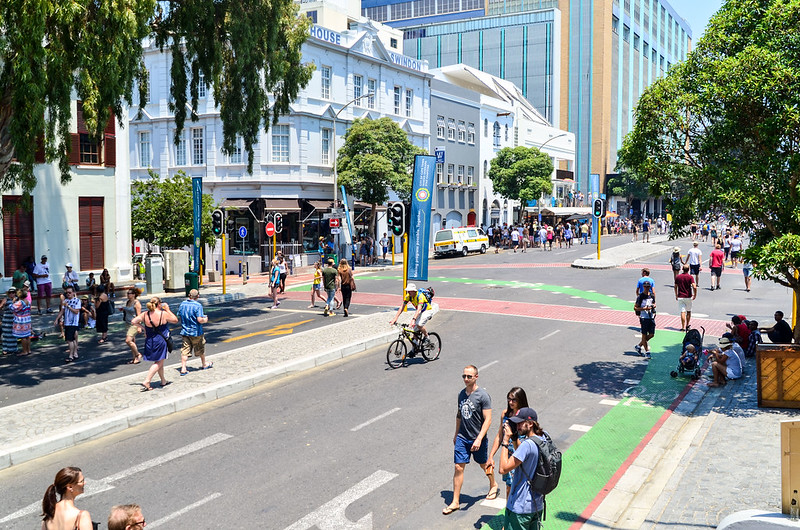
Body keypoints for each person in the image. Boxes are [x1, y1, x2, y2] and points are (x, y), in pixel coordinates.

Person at [442, 365, 498, 515]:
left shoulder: (483, 396)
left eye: (469, 376)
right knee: (458, 467)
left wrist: (479, 439)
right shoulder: (461, 394)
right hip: (462, 437)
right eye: (464, 376)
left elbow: (488, 419)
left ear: (476, 377)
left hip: (477, 438)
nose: (466, 379)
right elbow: (459, 415)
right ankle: (455, 501)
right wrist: (456, 434)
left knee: (483, 464)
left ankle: (493, 484)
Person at [499, 407, 545, 530]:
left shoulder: (527, 445)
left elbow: (503, 469)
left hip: (520, 507)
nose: (517, 426)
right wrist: (515, 438)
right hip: (537, 505)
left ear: (530, 424)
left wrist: (505, 440)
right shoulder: (542, 439)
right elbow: (525, 454)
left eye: (520, 423)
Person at [488, 387, 529, 499]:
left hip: (521, 456)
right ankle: (509, 513)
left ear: (521, 400)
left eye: (514, 400)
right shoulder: (505, 414)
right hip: (507, 454)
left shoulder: (526, 417)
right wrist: (491, 456)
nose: (510, 402)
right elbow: (499, 436)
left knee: (520, 488)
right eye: (509, 399)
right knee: (509, 488)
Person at [131, 297, 178, 391]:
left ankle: (163, 380)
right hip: (160, 340)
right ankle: (147, 380)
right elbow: (175, 320)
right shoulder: (163, 314)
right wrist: (168, 310)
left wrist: (143, 327)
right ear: (159, 304)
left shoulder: (145, 314)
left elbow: (133, 321)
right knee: (159, 362)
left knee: (159, 361)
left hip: (149, 340)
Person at [178, 289, 211, 375]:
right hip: (196, 332)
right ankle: (204, 364)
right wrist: (205, 319)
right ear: (198, 296)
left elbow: (179, 315)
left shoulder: (182, 304)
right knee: (200, 348)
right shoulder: (198, 305)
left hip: (185, 331)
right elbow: (199, 319)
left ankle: (183, 368)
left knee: (185, 350)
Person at [56, 287, 82, 363]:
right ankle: (74, 353)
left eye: (70, 293)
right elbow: (62, 311)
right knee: (71, 339)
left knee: (70, 340)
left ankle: (71, 355)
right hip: (67, 322)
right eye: (67, 293)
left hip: (73, 323)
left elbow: (76, 311)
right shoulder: (65, 301)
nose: (68, 294)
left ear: (73, 293)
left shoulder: (77, 301)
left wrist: (68, 306)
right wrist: (57, 319)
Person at [120, 288, 143, 364]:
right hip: (127, 323)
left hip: (134, 324)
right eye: (127, 293)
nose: (128, 295)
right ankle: (135, 358)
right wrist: (123, 309)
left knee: (128, 340)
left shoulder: (136, 303)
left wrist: (139, 326)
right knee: (132, 341)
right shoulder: (128, 302)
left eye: (129, 293)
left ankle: (138, 354)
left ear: (133, 295)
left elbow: (139, 315)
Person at [634, 281, 656, 358]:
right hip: (643, 317)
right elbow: (635, 307)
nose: (647, 288)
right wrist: (644, 308)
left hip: (651, 316)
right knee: (644, 334)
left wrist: (653, 306)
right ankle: (647, 351)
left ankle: (639, 345)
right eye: (645, 286)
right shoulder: (641, 296)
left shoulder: (652, 295)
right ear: (643, 287)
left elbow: (654, 303)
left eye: (648, 286)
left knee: (651, 334)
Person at [673, 264, 697, 332]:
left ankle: (683, 327)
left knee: (682, 312)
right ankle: (687, 325)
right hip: (688, 296)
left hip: (680, 296)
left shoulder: (678, 277)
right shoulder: (690, 277)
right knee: (688, 311)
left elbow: (675, 286)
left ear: (682, 269)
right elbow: (694, 286)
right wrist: (695, 294)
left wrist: (676, 295)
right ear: (688, 269)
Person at [11, 289, 32, 356]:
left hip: (21, 320)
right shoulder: (28, 301)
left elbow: (12, 308)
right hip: (27, 319)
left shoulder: (20, 302)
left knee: (23, 337)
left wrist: (13, 302)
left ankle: (24, 351)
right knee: (27, 336)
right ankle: (28, 350)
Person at [1, 288, 17, 354]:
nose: (11, 294)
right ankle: (5, 349)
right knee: (5, 334)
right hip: (6, 318)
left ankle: (13, 348)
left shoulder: (17, 300)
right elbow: (0, 306)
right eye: (10, 293)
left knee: (13, 334)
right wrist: (3, 305)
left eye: (13, 292)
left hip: (14, 319)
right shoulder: (6, 299)